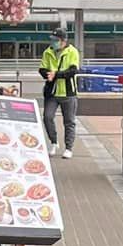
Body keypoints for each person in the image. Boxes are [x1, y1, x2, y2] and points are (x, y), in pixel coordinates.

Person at [38, 28, 81, 159]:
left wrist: (56, 75)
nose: (53, 42)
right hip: (52, 92)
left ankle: (68, 148)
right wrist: (47, 74)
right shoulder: (48, 52)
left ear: (63, 41)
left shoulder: (72, 52)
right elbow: (42, 68)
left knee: (69, 121)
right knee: (47, 117)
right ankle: (53, 142)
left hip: (68, 92)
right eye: (52, 40)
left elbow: (73, 71)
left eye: (56, 40)